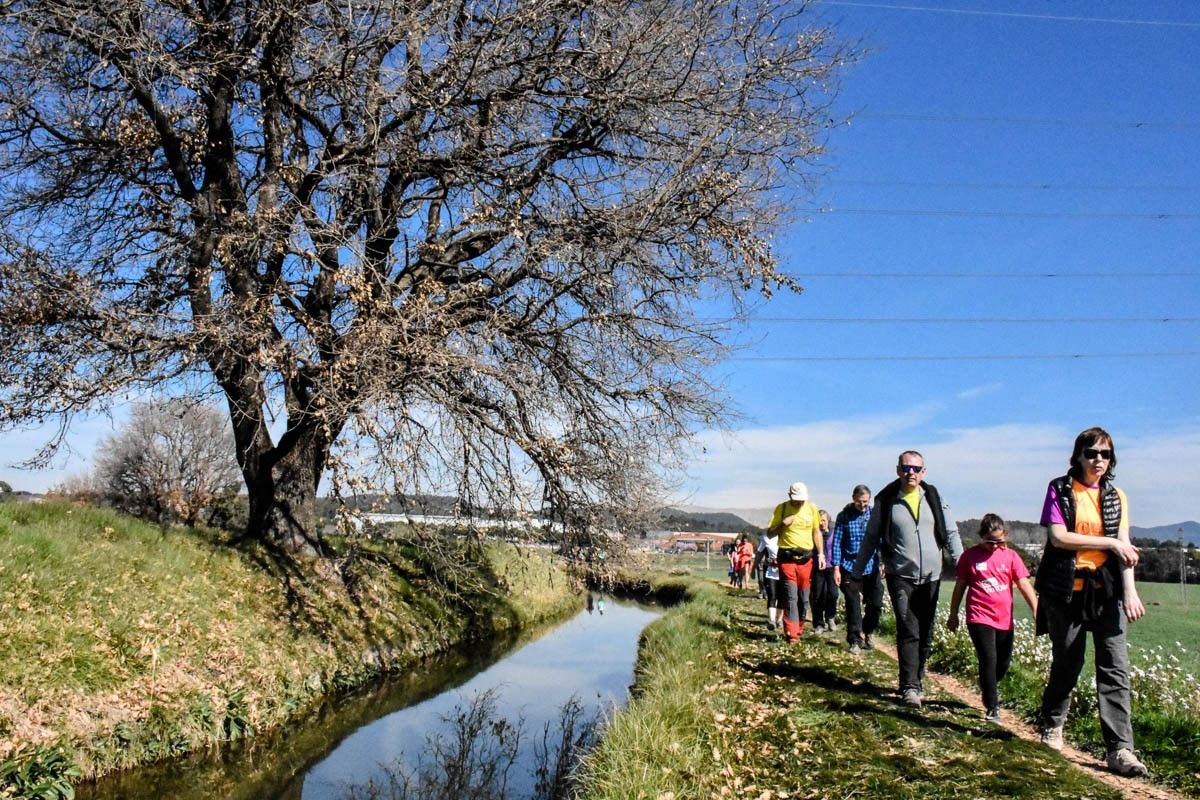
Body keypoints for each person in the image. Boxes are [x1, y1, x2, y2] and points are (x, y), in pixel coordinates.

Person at [1034, 427, 1148, 777]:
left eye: (1106, 454)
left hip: (1106, 590)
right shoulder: (1061, 489)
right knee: (1068, 662)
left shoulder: (1116, 496)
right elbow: (1059, 537)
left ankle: (1120, 750)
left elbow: (1125, 547)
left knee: (1115, 667)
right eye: (1092, 453)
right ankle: (1052, 726)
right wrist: (1109, 544)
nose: (1099, 459)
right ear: (1078, 455)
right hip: (1066, 590)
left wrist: (1130, 591)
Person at [850, 450, 962, 707]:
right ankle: (909, 686)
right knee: (908, 627)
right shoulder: (887, 500)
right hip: (900, 574)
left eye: (916, 468)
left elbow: (952, 532)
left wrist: (962, 564)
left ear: (924, 472)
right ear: (898, 469)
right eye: (906, 467)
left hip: (932, 576)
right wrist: (857, 572)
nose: (911, 472)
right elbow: (870, 539)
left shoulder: (934, 496)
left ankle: (917, 678)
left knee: (925, 631)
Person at [946, 514, 1037, 723]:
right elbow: (960, 587)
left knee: (1003, 663)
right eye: (989, 542)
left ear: (1005, 536)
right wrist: (953, 615)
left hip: (1004, 618)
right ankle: (993, 707)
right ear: (981, 537)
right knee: (988, 658)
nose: (994, 546)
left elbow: (1023, 584)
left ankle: (988, 686)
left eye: (999, 541)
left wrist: (1036, 609)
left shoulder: (1012, 556)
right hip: (978, 616)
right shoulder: (969, 557)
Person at [767, 481, 825, 642]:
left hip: (806, 559)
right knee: (790, 595)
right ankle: (791, 634)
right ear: (789, 496)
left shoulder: (812, 508)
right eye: (796, 499)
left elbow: (816, 532)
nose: (799, 502)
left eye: (802, 500)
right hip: (786, 559)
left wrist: (821, 554)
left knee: (803, 597)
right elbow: (770, 533)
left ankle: (798, 628)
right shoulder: (782, 508)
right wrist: (783, 524)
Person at [832, 484, 882, 655]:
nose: (863, 505)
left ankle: (869, 631)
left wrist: (883, 562)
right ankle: (854, 639)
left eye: (866, 502)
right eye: (860, 502)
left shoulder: (875, 515)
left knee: (875, 602)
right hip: (849, 566)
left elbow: (881, 540)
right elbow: (837, 543)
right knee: (853, 603)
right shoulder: (844, 517)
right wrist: (836, 568)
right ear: (853, 498)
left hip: (871, 565)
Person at [810, 510, 838, 633]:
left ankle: (830, 616)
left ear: (828, 521)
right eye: (819, 520)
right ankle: (818, 623)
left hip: (831, 567)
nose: (821, 523)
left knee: (833, 594)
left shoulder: (834, 533)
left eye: (824, 520)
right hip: (817, 568)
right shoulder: (813, 534)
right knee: (817, 596)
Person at [752, 524, 783, 630]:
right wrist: (753, 568)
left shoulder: (788, 536)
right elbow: (759, 554)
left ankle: (779, 619)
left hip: (785, 571)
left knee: (782, 597)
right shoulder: (765, 537)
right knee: (772, 595)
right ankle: (772, 620)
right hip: (772, 571)